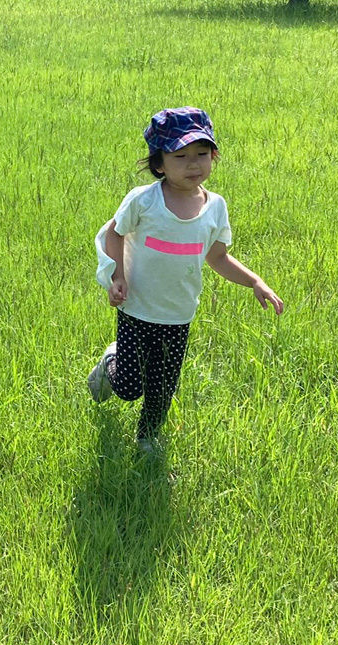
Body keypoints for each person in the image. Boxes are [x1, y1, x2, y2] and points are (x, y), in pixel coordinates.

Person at [89, 108, 283, 454]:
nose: (194, 164)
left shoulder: (215, 207)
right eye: (181, 156)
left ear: (214, 157)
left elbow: (218, 257)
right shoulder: (144, 200)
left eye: (202, 154)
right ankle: (110, 363)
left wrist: (255, 281)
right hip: (137, 309)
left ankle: (147, 437)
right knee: (130, 387)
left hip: (178, 315)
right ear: (159, 164)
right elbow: (114, 234)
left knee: (162, 386)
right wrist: (117, 275)